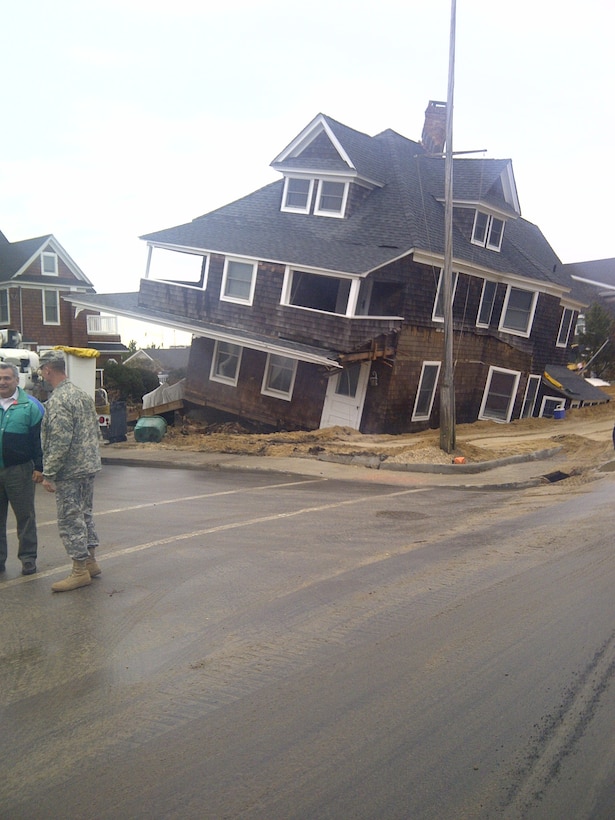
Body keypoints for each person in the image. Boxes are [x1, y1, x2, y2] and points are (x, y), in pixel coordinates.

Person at [39, 349, 102, 592]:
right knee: (85, 513)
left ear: (48, 370)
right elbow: (95, 432)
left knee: (70, 518)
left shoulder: (58, 400)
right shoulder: (81, 395)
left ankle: (79, 571)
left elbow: (59, 440)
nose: (42, 376)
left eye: (42, 372)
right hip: (87, 465)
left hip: (69, 470)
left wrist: (49, 473)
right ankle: (90, 562)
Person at [0, 362, 44, 575]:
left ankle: (28, 558)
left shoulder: (30, 407)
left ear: (17, 380)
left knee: (25, 517)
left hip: (20, 471)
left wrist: (39, 467)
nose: (2, 382)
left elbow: (38, 441)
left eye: (7, 378)